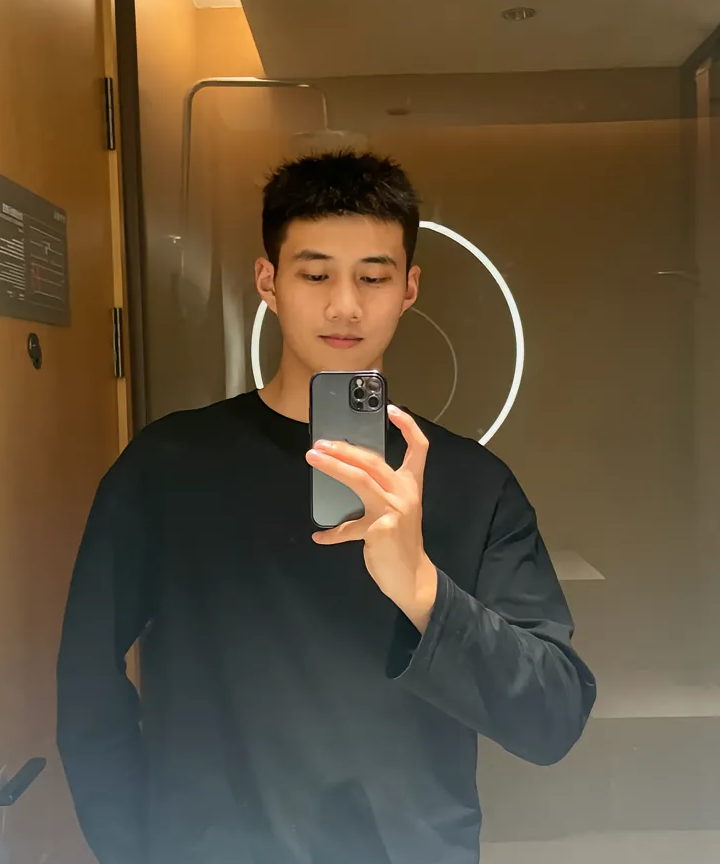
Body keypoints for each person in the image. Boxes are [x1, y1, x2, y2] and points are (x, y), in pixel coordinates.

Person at [57, 151, 596, 864]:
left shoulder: (473, 483)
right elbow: (87, 682)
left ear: (409, 288)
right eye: (315, 275)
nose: (345, 306)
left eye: (373, 277)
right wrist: (132, 848)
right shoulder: (168, 466)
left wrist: (422, 587)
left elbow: (552, 716)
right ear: (268, 282)